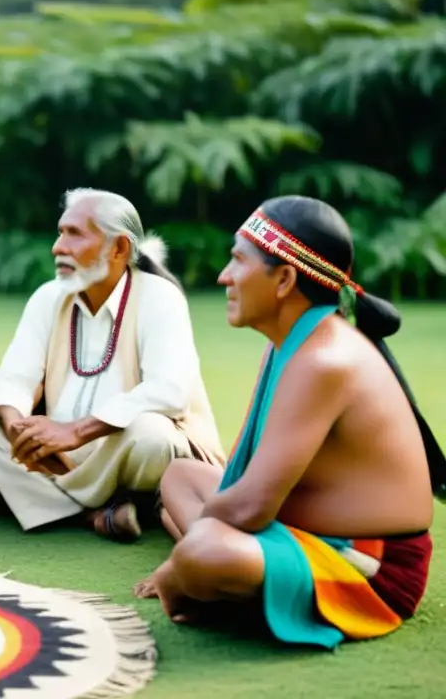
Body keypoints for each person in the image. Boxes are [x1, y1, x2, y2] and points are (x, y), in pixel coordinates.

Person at [136, 195, 446, 649]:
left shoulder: (324, 359)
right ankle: (234, 572)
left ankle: (222, 576)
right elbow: (245, 487)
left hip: (371, 568)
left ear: (283, 279)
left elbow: (249, 507)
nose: (224, 276)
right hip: (301, 528)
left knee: (204, 553)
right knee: (181, 475)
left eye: (237, 261)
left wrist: (181, 563)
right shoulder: (292, 340)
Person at [0, 189, 225, 543]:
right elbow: (14, 377)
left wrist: (76, 432)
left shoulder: (160, 298)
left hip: (119, 448)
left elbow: (168, 393)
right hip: (55, 451)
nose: (57, 247)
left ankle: (39, 498)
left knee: (153, 437)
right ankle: (98, 511)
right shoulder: (49, 297)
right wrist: (18, 428)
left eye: (74, 234)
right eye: (60, 232)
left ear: (119, 248)